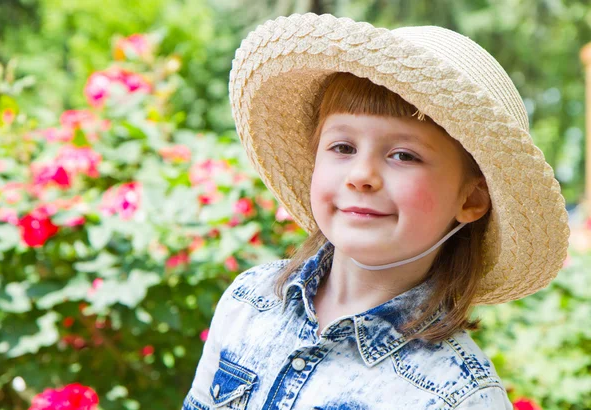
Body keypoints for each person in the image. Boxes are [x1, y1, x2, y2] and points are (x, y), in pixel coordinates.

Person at [182, 12, 570, 410]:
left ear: (470, 199)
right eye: (343, 147)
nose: (361, 175)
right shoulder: (249, 302)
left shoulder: (457, 395)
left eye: (403, 155)